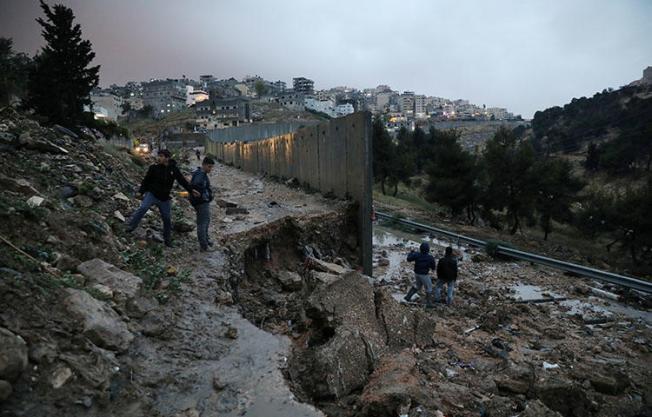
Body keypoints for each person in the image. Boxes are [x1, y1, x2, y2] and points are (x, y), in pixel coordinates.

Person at [126, 149, 198, 247]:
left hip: (164, 198)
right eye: (158, 156)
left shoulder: (174, 169)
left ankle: (167, 240)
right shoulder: (153, 168)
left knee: (167, 219)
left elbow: (182, 181)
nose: (158, 158)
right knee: (143, 208)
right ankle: (130, 227)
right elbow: (146, 180)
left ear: (167, 158)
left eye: (161, 156)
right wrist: (141, 192)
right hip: (152, 194)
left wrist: (191, 190)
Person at [190, 157, 215, 251]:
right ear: (204, 165)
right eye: (209, 167)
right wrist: (204, 195)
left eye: (211, 167)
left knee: (206, 221)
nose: (210, 169)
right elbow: (196, 185)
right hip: (201, 202)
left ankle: (206, 240)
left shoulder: (201, 173)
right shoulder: (200, 175)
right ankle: (204, 246)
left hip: (202, 201)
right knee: (202, 223)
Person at [404, 242, 437, 307]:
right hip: (424, 275)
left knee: (417, 286)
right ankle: (429, 304)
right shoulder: (430, 257)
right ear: (428, 249)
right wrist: (433, 271)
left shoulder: (417, 254)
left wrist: (411, 252)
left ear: (420, 248)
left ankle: (407, 297)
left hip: (417, 273)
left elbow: (408, 259)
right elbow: (433, 266)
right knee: (429, 288)